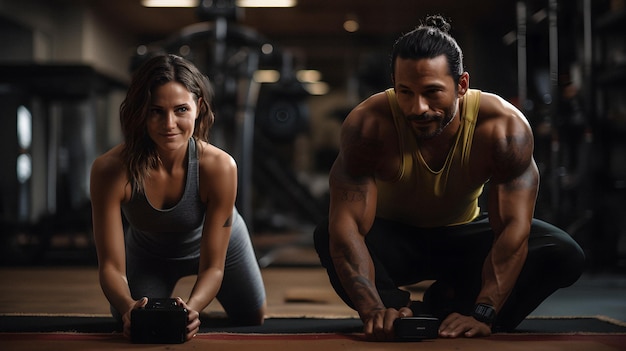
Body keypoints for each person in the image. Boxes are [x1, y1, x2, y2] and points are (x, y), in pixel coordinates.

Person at [314, 15, 585, 341]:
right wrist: (372, 308)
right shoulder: (368, 126)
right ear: (393, 83)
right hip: (395, 241)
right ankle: (395, 312)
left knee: (562, 252)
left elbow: (513, 228)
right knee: (328, 232)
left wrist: (486, 310)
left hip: (464, 239)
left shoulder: (502, 129)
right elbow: (347, 229)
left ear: (462, 85)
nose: (418, 108)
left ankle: (453, 307)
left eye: (432, 92)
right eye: (405, 92)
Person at [90, 54, 266, 341]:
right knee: (136, 323)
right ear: (140, 112)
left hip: (222, 247)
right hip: (149, 254)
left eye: (181, 109)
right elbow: (110, 265)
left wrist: (193, 310)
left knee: (252, 318)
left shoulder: (220, 167)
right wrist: (127, 306)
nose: (169, 123)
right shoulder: (110, 169)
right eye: (156, 111)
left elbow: (212, 267)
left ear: (198, 107)